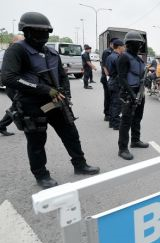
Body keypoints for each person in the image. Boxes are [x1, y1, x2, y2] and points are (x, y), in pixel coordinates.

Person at [1, 12, 100, 188]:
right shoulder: (17, 50)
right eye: (37, 32)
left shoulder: (52, 52)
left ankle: (80, 164)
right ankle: (41, 175)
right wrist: (44, 89)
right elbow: (8, 78)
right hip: (32, 105)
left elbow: (62, 76)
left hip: (55, 102)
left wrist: (65, 94)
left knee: (71, 134)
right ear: (27, 31)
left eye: (45, 32)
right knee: (37, 142)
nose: (42, 36)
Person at [117, 31, 149, 160]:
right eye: (136, 44)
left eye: (140, 44)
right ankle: (122, 149)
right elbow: (122, 78)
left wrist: (146, 80)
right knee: (126, 121)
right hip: (128, 93)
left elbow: (141, 75)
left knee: (137, 118)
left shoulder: (139, 59)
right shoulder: (124, 57)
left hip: (139, 92)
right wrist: (131, 94)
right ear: (129, 44)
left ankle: (135, 140)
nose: (139, 46)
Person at [0, 34, 25, 136]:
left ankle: (26, 124)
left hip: (18, 84)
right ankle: (2, 125)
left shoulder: (19, 51)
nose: (23, 43)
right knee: (17, 105)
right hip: (12, 85)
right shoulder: (10, 52)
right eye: (21, 41)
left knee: (19, 105)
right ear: (14, 41)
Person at [106, 39, 125, 130]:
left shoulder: (110, 56)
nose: (124, 48)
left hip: (111, 81)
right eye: (123, 46)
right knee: (117, 104)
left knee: (113, 103)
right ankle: (116, 124)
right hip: (116, 82)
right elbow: (120, 72)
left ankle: (112, 122)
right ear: (119, 47)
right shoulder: (117, 57)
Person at [101, 38, 118, 121]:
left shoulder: (116, 53)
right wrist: (107, 75)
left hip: (112, 78)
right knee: (108, 96)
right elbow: (104, 65)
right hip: (107, 78)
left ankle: (112, 113)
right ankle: (107, 114)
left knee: (113, 97)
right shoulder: (106, 52)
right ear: (111, 44)